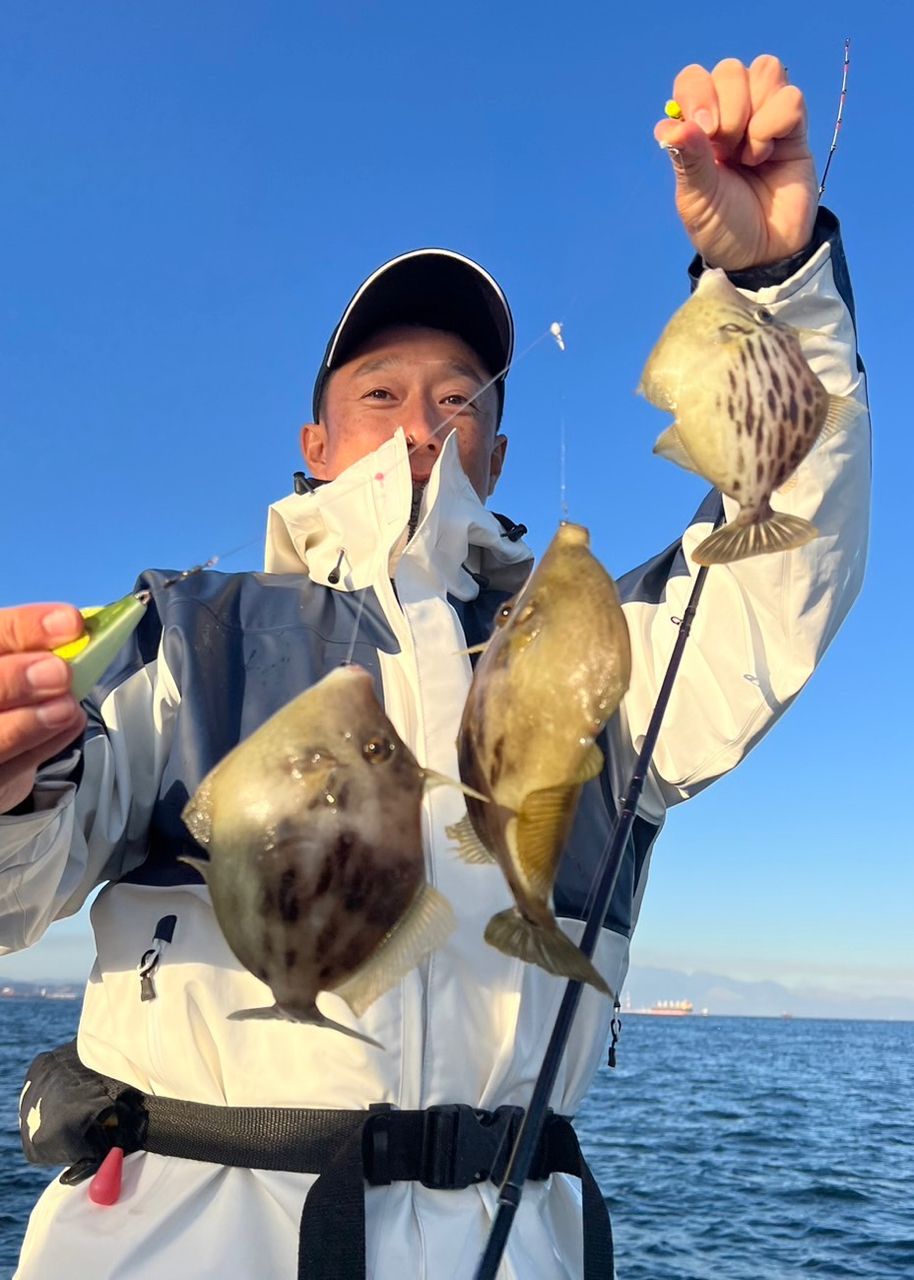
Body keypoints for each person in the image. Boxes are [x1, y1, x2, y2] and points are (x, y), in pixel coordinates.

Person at [0, 54, 870, 1280]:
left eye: (458, 399)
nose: (422, 426)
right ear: (314, 443)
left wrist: (770, 291)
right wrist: (14, 783)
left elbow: (779, 566)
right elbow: (14, 888)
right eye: (382, 394)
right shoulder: (181, 634)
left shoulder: (587, 648)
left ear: (500, 448)